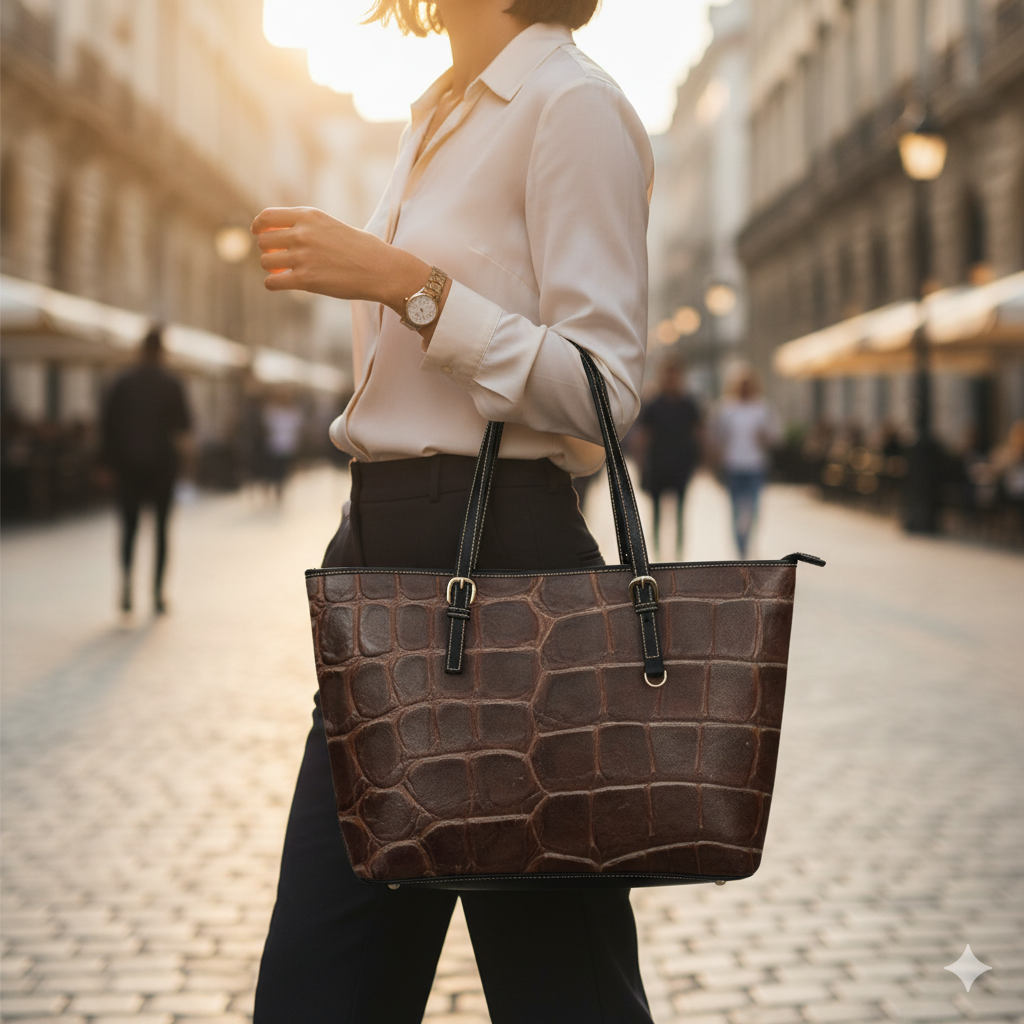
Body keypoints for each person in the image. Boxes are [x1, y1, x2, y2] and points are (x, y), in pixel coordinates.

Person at [248, 1, 654, 1021]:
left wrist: (411, 288)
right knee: (316, 990)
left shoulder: (573, 104)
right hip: (378, 564)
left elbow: (603, 388)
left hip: (509, 574)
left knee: (564, 994)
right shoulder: (436, 112)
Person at [99, 326, 192, 614]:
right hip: (162, 467)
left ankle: (127, 584)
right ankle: (157, 593)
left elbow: (107, 427)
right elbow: (185, 427)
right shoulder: (172, 383)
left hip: (128, 466)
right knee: (162, 531)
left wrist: (105, 464)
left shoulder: (122, 382)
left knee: (129, 529)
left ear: (140, 350)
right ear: (162, 352)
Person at [709, 363, 780, 560]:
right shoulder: (725, 408)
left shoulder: (763, 407)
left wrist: (764, 436)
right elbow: (714, 437)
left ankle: (748, 543)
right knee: (735, 511)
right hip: (733, 465)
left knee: (753, 510)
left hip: (755, 465)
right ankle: (740, 551)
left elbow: (776, 437)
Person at [638, 359, 702, 559]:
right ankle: (656, 553)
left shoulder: (688, 404)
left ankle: (679, 554)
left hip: (682, 465)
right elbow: (644, 436)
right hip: (658, 465)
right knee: (656, 513)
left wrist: (703, 460)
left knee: (681, 513)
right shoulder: (653, 405)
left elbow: (698, 433)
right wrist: (641, 464)